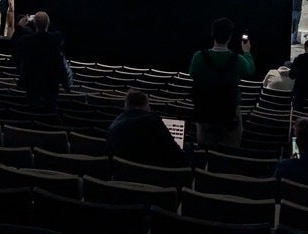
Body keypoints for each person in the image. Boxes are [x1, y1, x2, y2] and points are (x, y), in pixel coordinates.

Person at [188, 17, 255, 148]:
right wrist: (247, 52)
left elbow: (192, 74)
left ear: (212, 34)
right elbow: (250, 71)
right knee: (229, 152)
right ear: (230, 37)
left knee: (205, 150)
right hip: (229, 114)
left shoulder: (198, 57)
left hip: (205, 112)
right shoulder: (238, 59)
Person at [106, 89, 188, 167]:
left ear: (126, 105)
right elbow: (176, 153)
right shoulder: (154, 122)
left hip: (123, 175)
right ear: (147, 106)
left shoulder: (114, 125)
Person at [13, 11, 71, 110]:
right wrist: (45, 23)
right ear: (48, 23)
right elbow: (55, 32)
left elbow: (14, 42)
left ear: (34, 24)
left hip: (32, 83)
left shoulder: (27, 40)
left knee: (32, 107)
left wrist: (20, 26)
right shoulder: (56, 39)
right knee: (50, 108)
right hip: (51, 84)